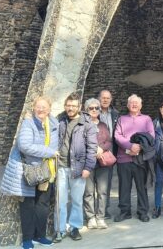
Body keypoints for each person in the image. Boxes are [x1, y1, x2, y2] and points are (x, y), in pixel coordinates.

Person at [0, 96, 58, 249]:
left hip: (46, 170)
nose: (41, 109)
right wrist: (49, 152)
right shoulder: (28, 123)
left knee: (43, 205)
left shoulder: (54, 124)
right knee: (27, 205)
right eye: (38, 107)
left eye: (44, 107)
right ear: (33, 108)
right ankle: (27, 239)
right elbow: (24, 145)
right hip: (29, 170)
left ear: (49, 109)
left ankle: (40, 235)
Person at [54, 93, 97, 243]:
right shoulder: (60, 120)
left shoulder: (87, 123)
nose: (70, 108)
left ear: (79, 107)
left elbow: (92, 148)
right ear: (65, 106)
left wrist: (88, 168)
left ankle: (74, 227)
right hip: (60, 167)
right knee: (60, 201)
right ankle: (59, 229)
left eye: (73, 105)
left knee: (77, 200)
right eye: (68, 105)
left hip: (78, 168)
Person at [113, 94, 155, 223]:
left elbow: (151, 136)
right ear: (127, 105)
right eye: (132, 102)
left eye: (137, 102)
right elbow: (117, 136)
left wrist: (139, 147)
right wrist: (131, 146)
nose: (134, 104)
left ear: (141, 105)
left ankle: (143, 212)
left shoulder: (147, 119)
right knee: (124, 187)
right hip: (123, 159)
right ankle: (125, 212)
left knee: (142, 187)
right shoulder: (121, 119)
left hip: (140, 159)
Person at [83, 98, 113, 230]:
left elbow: (109, 141)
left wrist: (102, 148)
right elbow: (80, 142)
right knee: (89, 192)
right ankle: (90, 217)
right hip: (88, 163)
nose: (94, 110)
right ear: (86, 110)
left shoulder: (103, 125)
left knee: (102, 192)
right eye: (91, 108)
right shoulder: (82, 125)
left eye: (96, 108)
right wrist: (95, 149)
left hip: (102, 163)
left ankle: (100, 217)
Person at [97, 89, 119, 220]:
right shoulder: (92, 112)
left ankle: (104, 209)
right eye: (103, 97)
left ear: (111, 100)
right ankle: (92, 211)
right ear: (99, 98)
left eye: (108, 98)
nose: (105, 100)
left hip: (109, 151)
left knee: (106, 183)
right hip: (96, 150)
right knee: (90, 186)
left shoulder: (115, 114)